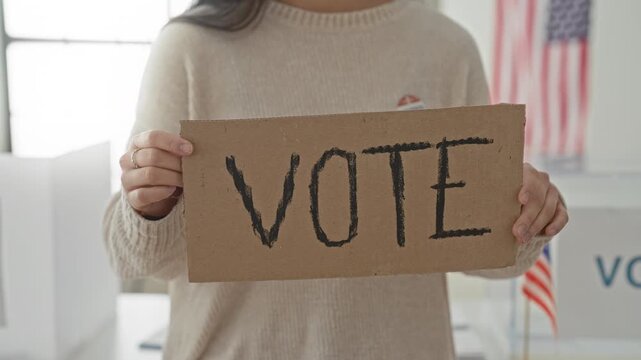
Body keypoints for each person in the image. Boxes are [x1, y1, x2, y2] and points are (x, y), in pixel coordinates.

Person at [103, 0, 569, 359]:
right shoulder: (190, 46)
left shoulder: (446, 47)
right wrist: (149, 205)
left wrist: (529, 216)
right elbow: (138, 256)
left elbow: (482, 250)